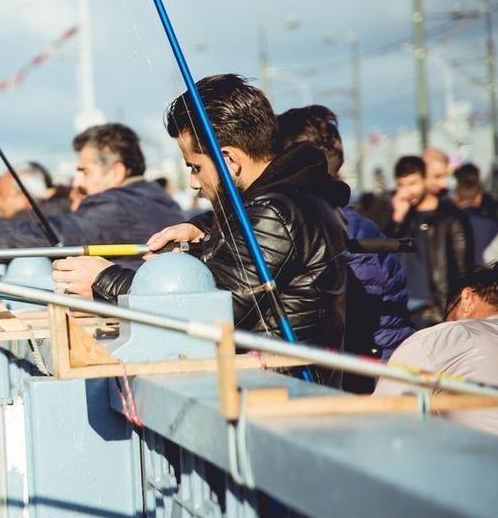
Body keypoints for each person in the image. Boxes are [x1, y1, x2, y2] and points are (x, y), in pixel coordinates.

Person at [55, 74, 350, 350]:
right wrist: (204, 231)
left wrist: (104, 280)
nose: (194, 183)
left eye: (195, 167)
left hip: (274, 389)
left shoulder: (273, 215)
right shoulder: (293, 197)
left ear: (228, 160)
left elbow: (210, 310)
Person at [0, 123, 183, 254]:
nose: (78, 181)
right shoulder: (155, 198)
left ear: (117, 171)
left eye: (85, 171)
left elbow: (48, 235)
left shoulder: (117, 206)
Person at [276, 105, 413, 369]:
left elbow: (343, 315)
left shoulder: (325, 229)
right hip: (382, 369)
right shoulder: (361, 226)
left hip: (363, 378)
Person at [374, 263, 498, 435]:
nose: (446, 323)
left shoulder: (444, 337)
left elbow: (381, 424)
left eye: (448, 315)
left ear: (467, 298)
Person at [387, 155, 474, 325]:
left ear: (425, 180)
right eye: (401, 185)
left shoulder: (450, 217)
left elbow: (464, 268)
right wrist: (396, 219)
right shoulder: (399, 217)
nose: (407, 191)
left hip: (435, 310)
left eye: (412, 183)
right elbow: (382, 257)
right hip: (401, 307)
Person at [453, 163, 498, 260]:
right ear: (479, 197)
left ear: (456, 198)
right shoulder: (492, 224)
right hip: (487, 272)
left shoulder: (449, 223)